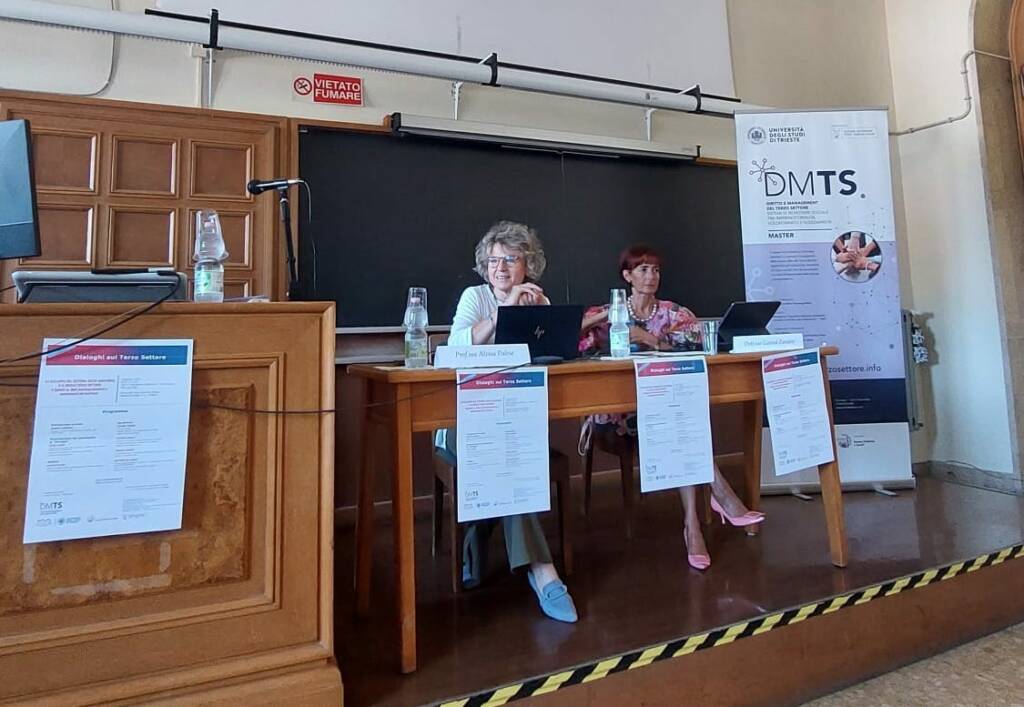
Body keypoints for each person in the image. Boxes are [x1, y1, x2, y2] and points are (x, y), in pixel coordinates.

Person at [579, 244, 765, 571]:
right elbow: (568, 337)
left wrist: (648, 338)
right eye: (643, 270)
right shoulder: (607, 313)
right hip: (619, 413)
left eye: (656, 270)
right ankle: (719, 497)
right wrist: (605, 316)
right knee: (681, 423)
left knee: (678, 420)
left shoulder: (674, 313)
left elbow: (694, 345)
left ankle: (693, 525)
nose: (651, 276)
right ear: (627, 276)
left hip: (666, 407)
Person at [436, 220, 577, 623]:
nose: (500, 268)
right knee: (506, 456)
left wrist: (543, 314)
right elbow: (454, 347)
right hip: (462, 422)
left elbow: (554, 356)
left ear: (527, 265)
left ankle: (479, 534)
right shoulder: (475, 297)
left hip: (515, 418)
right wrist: (505, 313)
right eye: (494, 260)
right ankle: (542, 570)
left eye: (511, 259)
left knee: (508, 450)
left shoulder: (539, 300)